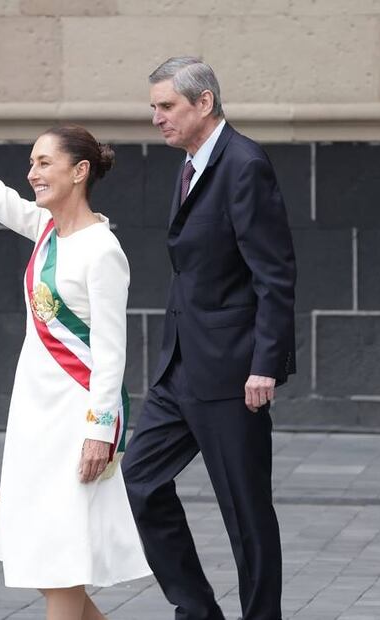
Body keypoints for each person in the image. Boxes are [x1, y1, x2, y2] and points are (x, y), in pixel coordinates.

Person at [0, 50, 151, 619]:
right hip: (33, 416)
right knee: (55, 566)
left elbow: (110, 353)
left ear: (79, 171)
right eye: (31, 162)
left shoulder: (103, 251)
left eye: (44, 162)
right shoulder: (46, 230)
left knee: (60, 566)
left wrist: (99, 432)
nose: (32, 173)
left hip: (75, 422)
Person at [121, 58, 297, 620]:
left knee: (245, 514)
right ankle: (197, 610)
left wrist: (265, 364)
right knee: (140, 479)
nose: (156, 118)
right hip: (181, 366)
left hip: (232, 372)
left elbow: (274, 272)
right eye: (153, 107)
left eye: (166, 106)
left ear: (204, 103)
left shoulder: (243, 164)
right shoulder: (194, 163)